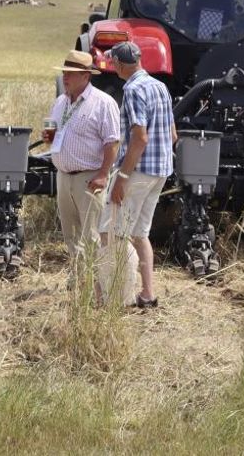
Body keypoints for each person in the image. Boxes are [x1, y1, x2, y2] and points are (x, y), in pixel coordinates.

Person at [102, 41, 177, 308]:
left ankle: (117, 298)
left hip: (139, 171)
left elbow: (140, 138)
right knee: (140, 233)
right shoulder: (160, 87)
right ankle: (147, 294)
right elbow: (172, 134)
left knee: (114, 233)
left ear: (121, 65)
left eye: (113, 62)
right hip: (161, 171)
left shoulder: (132, 90)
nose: (112, 66)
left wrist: (122, 177)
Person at [45, 51, 121, 269]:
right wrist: (48, 136)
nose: (65, 77)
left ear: (86, 76)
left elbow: (112, 143)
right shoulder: (60, 102)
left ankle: (95, 285)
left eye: (71, 73)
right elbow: (52, 132)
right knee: (71, 233)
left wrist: (103, 175)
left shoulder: (103, 103)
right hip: (63, 176)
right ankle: (78, 279)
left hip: (89, 178)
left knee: (91, 234)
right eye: (64, 72)